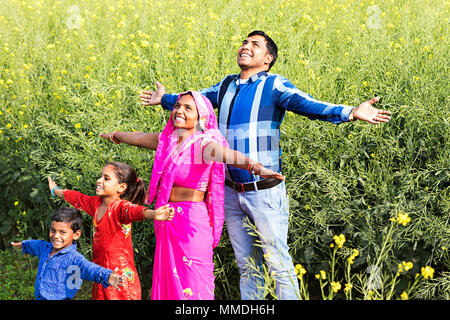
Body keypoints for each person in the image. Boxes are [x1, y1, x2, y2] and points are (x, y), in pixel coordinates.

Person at [139, 30, 392, 300]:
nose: (246, 46)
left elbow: (307, 104)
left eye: (255, 45)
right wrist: (164, 99)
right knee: (247, 267)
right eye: (245, 42)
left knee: (278, 263)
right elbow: (193, 101)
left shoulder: (274, 85)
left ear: (268, 58)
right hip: (230, 193)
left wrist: (351, 112)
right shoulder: (225, 86)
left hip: (264, 190)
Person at [100, 91, 284, 300]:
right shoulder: (168, 141)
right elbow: (140, 138)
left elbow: (230, 156)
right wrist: (116, 135)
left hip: (191, 223)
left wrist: (257, 168)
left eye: (188, 108)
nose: (179, 110)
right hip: (166, 219)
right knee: (169, 281)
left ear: (201, 117)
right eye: (178, 106)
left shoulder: (203, 145)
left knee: (194, 282)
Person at [47, 161, 174, 300]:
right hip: (101, 273)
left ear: (121, 187)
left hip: (120, 279)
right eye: (100, 176)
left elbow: (134, 211)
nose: (99, 180)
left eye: (106, 178)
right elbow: (77, 197)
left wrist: (153, 214)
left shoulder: (120, 207)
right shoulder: (96, 204)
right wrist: (55, 190)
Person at [11, 207, 124, 300]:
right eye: (53, 230)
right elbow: (34, 245)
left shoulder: (74, 259)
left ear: (76, 234)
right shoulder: (45, 248)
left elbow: (89, 268)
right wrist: (24, 245)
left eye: (62, 232)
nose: (56, 236)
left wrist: (106, 275)